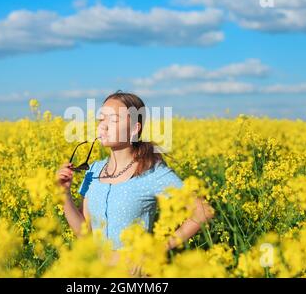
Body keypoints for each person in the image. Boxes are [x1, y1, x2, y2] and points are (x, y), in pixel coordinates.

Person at [57, 90, 214, 277]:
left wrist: (160, 248)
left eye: (113, 120)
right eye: (101, 120)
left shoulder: (152, 171)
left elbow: (203, 211)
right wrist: (64, 194)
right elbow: (85, 233)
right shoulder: (93, 171)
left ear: (134, 128)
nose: (103, 127)